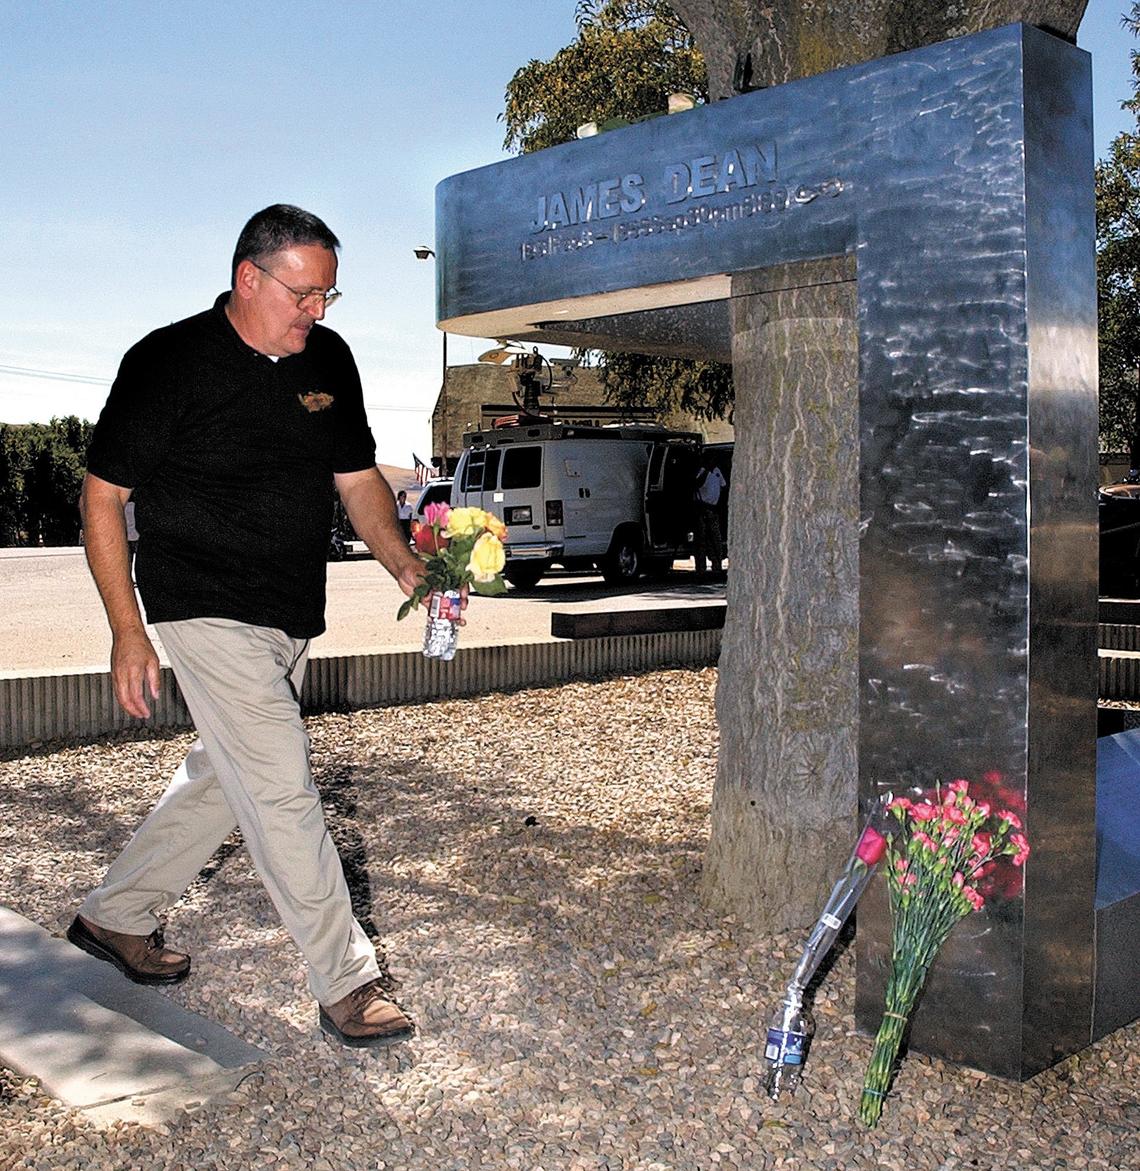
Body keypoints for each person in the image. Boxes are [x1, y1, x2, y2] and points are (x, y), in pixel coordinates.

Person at [70, 204, 429, 1048]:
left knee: (225, 778)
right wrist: (129, 629)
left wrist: (407, 563)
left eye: (328, 296)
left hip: (286, 611)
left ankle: (116, 915)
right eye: (305, 294)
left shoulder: (328, 360)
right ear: (249, 279)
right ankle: (346, 980)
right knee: (279, 785)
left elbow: (358, 482)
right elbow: (102, 497)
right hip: (198, 601)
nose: (319, 312)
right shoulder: (168, 363)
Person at [693, 457, 727, 576]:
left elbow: (723, 485)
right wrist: (706, 471)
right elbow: (697, 484)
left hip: (713, 509)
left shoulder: (717, 471)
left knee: (715, 538)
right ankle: (701, 568)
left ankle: (717, 564)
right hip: (702, 508)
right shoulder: (702, 471)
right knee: (701, 539)